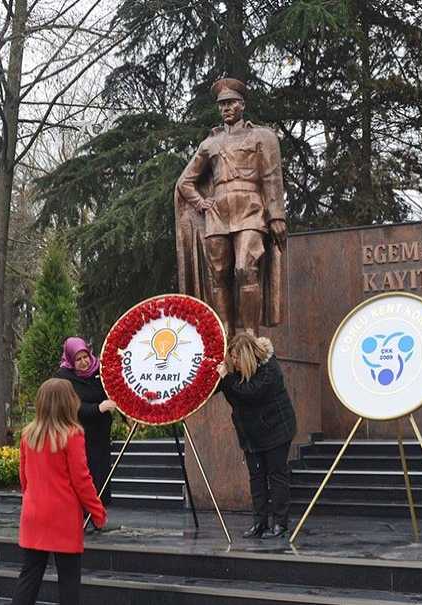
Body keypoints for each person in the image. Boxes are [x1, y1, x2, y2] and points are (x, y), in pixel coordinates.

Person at [175, 77, 286, 336]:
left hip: (250, 209)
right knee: (219, 274)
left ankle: (250, 334)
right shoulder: (210, 143)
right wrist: (201, 203)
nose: (226, 108)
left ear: (242, 105)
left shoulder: (262, 136)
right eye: (222, 104)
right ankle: (224, 331)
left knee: (245, 269)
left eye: (231, 103)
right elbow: (185, 182)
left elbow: (271, 177)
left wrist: (276, 216)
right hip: (218, 214)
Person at [12, 378, 106, 605]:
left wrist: (33, 499)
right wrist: (97, 512)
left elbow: (24, 478)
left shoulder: (28, 434)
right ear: (68, 402)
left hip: (33, 514)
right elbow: (81, 480)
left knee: (29, 576)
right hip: (63, 516)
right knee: (69, 579)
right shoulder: (72, 434)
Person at [216, 334, 296, 539]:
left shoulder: (270, 370)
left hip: (276, 430)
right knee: (257, 478)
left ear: (245, 356)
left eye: (235, 358)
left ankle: (280, 524)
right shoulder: (238, 375)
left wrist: (227, 378)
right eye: (231, 358)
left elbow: (250, 393)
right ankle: (259, 523)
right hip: (252, 434)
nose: (233, 362)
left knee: (277, 475)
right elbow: (236, 395)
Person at [55, 337, 118, 506]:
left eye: (86, 357)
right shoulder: (64, 377)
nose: (84, 362)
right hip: (79, 435)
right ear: (70, 359)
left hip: (101, 434)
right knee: (83, 474)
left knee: (101, 473)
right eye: (78, 359)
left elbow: (110, 394)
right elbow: (71, 406)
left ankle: (98, 512)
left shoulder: (99, 371)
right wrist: (98, 408)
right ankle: (82, 512)